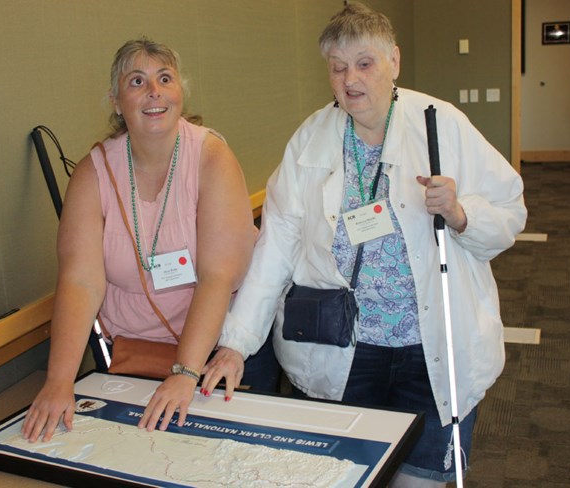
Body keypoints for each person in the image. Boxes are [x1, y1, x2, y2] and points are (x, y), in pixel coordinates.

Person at [201, 3, 527, 487]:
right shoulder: (310, 142)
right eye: (337, 67)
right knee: (343, 477)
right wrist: (235, 344)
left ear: (394, 61)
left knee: (420, 480)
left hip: (429, 348)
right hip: (346, 351)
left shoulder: (441, 125)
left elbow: (510, 211)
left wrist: (461, 214)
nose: (351, 79)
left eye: (365, 63)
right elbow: (276, 250)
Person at [22, 37, 254, 442]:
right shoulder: (92, 174)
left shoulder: (212, 158)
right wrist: (59, 382)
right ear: (116, 101)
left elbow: (218, 276)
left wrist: (185, 373)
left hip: (217, 354)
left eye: (165, 78)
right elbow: (80, 282)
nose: (154, 92)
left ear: (180, 91)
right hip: (134, 355)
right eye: (137, 81)